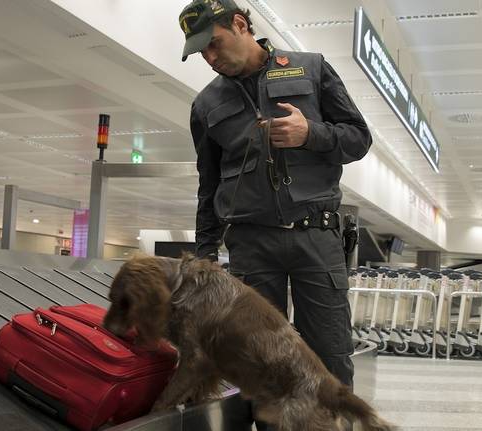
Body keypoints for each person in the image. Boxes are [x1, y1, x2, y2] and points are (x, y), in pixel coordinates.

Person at [179, 0, 371, 427]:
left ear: (240, 24)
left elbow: (358, 139)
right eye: (201, 53)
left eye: (214, 44)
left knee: (330, 354)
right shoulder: (206, 105)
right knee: (260, 360)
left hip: (316, 237)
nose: (210, 59)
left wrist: (310, 134)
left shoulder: (311, 69)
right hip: (251, 245)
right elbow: (208, 186)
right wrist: (204, 258)